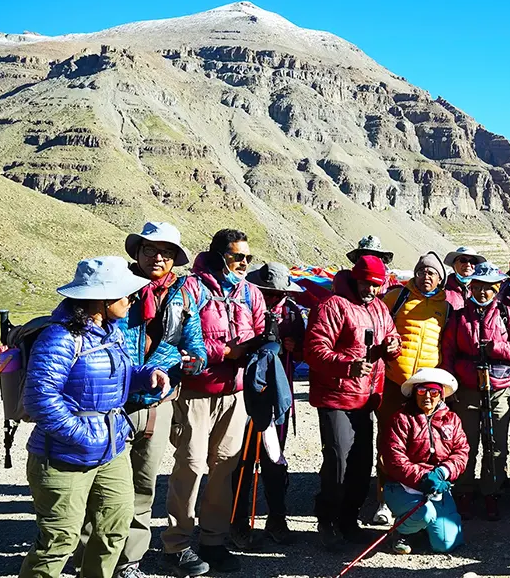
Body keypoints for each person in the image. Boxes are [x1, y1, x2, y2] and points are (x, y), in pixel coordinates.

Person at [21, 257, 170, 578]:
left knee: (115, 528)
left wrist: (146, 375)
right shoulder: (59, 338)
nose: (131, 300)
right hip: (62, 456)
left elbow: (117, 375)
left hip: (110, 450)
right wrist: (86, 435)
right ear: (100, 299)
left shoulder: (111, 333)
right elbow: (39, 399)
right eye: (125, 294)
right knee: (59, 541)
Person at [102, 222, 206, 578]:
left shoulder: (183, 294)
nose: (157, 257)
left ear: (175, 258)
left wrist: (196, 360)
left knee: (143, 486)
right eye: (150, 250)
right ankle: (94, 558)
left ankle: (129, 562)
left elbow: (195, 344)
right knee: (101, 485)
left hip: (156, 406)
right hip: (108, 403)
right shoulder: (116, 287)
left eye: (166, 252)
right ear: (138, 253)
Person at [163, 229, 267, 575]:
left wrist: (258, 349)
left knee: (224, 467)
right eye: (239, 257)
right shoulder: (189, 288)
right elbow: (173, 338)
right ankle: (176, 543)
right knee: (190, 466)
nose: (244, 264)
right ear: (220, 255)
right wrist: (224, 351)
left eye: (249, 258)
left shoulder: (251, 293)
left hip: (235, 393)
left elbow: (261, 331)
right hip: (194, 391)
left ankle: (213, 540)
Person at [304, 255, 401, 548]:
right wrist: (348, 365)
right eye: (366, 283)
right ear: (355, 279)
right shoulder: (332, 306)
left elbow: (392, 338)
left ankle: (349, 521)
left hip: (367, 398)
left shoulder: (380, 308)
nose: (370, 290)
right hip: (336, 397)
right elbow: (314, 349)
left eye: (375, 285)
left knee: (361, 464)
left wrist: (393, 347)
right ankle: (328, 522)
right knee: (338, 462)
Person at [441, 262, 510, 521]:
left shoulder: (507, 315)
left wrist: (498, 348)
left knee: (496, 445)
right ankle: (465, 492)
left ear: (496, 288)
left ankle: (492, 492)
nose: (482, 292)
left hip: (499, 388)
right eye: (477, 287)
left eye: (488, 288)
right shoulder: (458, 317)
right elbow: (448, 353)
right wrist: (448, 386)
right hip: (466, 388)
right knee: (465, 443)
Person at [229, 262, 307, 548]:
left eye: (278, 293)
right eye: (268, 292)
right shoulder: (243, 306)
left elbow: (303, 351)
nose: (273, 297)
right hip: (246, 395)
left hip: (277, 396)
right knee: (243, 461)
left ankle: (277, 519)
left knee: (275, 459)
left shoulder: (293, 313)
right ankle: (238, 522)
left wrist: (293, 348)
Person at [375, 252, 452, 525]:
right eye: (421, 271)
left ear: (441, 278)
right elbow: (379, 324)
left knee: (422, 443)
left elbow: (447, 341)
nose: (425, 276)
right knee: (388, 440)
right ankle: (384, 499)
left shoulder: (446, 305)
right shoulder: (397, 297)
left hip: (428, 387)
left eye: (432, 273)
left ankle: (417, 496)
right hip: (395, 381)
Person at [380, 368, 470, 555]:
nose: (427, 396)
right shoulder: (401, 419)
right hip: (403, 487)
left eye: (433, 392)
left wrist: (443, 472)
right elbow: (394, 459)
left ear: (441, 395)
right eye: (421, 391)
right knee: (424, 514)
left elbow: (462, 452)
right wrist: (424, 478)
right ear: (414, 393)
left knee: (445, 544)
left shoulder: (452, 420)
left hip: (436, 487)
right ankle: (401, 530)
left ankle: (420, 528)